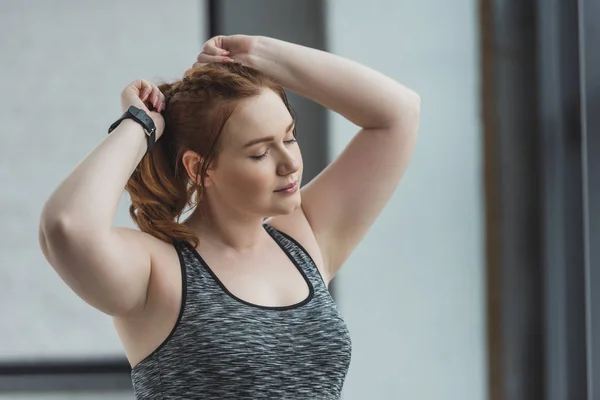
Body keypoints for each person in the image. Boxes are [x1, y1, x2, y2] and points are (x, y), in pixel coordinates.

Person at [39, 34, 420, 399]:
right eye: (259, 153)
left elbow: (399, 113)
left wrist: (256, 53)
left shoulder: (305, 240)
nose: (289, 163)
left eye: (289, 137)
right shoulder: (159, 270)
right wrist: (141, 124)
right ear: (200, 169)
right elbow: (67, 226)